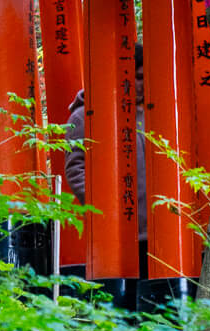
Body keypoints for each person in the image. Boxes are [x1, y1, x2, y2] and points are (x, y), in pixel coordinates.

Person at [63, 42, 149, 276]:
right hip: (115, 232)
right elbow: (75, 169)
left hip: (154, 231)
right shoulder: (84, 116)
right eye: (138, 77)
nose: (143, 84)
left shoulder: (149, 114)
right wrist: (104, 210)